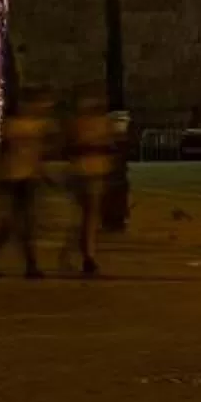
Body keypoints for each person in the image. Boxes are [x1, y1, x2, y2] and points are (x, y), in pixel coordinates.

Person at [0, 86, 54, 278]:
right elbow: (5, 153)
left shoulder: (36, 125)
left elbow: (36, 154)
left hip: (26, 178)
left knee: (22, 223)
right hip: (13, 178)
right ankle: (26, 264)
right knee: (16, 224)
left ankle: (27, 264)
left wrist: (42, 174)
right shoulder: (16, 126)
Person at [64, 92, 119, 275]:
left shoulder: (96, 123)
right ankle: (86, 254)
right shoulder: (84, 124)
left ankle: (86, 254)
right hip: (85, 173)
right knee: (88, 217)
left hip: (93, 172)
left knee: (88, 217)